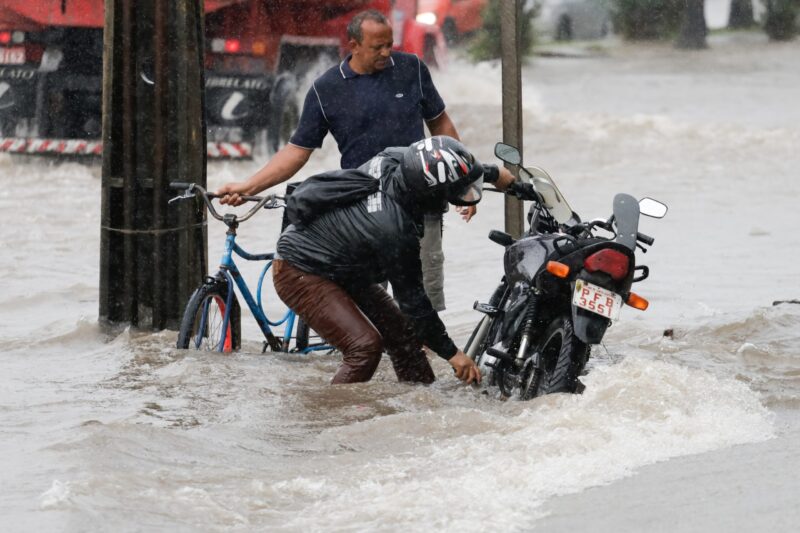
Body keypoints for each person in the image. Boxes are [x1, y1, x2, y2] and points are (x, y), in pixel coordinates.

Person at [216, 9, 472, 311]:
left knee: (422, 307)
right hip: (363, 209)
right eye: (377, 47)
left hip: (420, 199)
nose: (387, 52)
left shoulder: (412, 69)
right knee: (368, 309)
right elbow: (297, 151)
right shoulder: (327, 89)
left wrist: (462, 184)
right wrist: (249, 185)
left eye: (389, 44)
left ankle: (425, 355)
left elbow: (440, 124)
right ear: (353, 45)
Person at [270, 135, 517, 385]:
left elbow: (440, 168)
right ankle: (332, 419)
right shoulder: (394, 229)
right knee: (364, 347)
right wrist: (453, 354)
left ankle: (421, 404)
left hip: (342, 266)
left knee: (404, 337)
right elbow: (414, 304)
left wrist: (494, 173)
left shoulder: (397, 157)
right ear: (430, 195)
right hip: (300, 269)